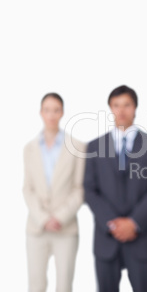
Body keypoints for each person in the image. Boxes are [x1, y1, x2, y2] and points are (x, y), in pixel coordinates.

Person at [84, 85, 147, 292]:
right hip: (106, 240)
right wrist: (113, 224)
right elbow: (89, 189)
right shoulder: (94, 147)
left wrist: (134, 222)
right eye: (116, 105)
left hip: (143, 237)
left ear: (135, 108)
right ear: (110, 108)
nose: (121, 110)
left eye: (127, 105)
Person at [23, 93, 85, 292]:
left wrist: (59, 217)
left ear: (62, 113)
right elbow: (28, 189)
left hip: (65, 228)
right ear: (41, 112)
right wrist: (43, 218)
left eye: (56, 110)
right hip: (37, 227)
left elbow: (79, 189)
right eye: (47, 110)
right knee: (36, 284)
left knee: (64, 285)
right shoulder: (29, 148)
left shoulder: (77, 147)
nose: (51, 115)